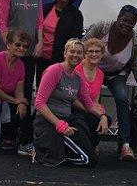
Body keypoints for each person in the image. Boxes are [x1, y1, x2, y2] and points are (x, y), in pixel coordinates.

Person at [83, 5, 137, 161]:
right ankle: (92, 143)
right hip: (93, 71)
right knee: (92, 101)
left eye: (131, 22)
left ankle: (125, 145)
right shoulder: (102, 28)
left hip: (115, 75)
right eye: (124, 20)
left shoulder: (136, 41)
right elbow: (82, 45)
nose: (127, 24)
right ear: (118, 18)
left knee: (122, 99)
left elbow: (134, 66)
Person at [0, 0, 43, 156]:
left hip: (30, 51)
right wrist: (11, 47)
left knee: (23, 93)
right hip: (9, 49)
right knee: (6, 91)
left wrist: (40, 41)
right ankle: (6, 136)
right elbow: (2, 22)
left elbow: (39, 19)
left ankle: (24, 140)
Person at [33, 39, 109, 167]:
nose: (75, 55)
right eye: (72, 51)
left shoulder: (77, 77)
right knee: (88, 161)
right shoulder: (54, 71)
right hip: (49, 123)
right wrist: (60, 125)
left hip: (68, 120)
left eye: (79, 52)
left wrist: (103, 116)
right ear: (65, 53)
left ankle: (63, 150)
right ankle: (45, 151)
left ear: (83, 55)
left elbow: (88, 104)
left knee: (91, 157)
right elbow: (39, 103)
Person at [38, 0, 84, 87]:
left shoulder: (76, 14)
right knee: (41, 86)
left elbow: (76, 40)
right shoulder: (45, 8)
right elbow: (37, 29)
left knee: (57, 89)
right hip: (41, 57)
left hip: (61, 60)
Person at [73, 38, 109, 151]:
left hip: (89, 109)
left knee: (106, 118)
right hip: (74, 108)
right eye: (90, 51)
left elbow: (96, 101)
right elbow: (72, 99)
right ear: (85, 54)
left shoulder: (100, 74)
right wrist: (95, 112)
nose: (94, 54)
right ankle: (91, 146)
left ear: (102, 54)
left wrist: (101, 115)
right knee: (93, 118)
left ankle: (91, 146)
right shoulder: (76, 69)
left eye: (97, 51)